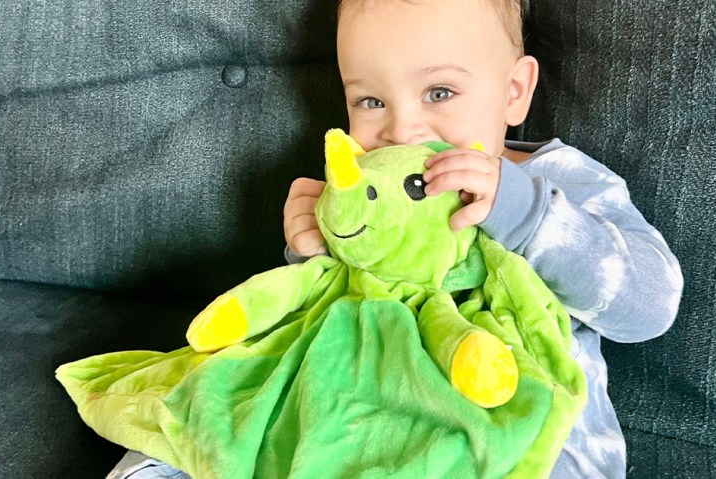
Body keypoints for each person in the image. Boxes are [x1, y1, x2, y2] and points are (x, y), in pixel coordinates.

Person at [110, 0, 683, 477]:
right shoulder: (365, 185)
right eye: (371, 101)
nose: (401, 130)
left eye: (439, 92)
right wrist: (308, 252)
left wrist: (525, 210)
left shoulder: (559, 180)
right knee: (221, 414)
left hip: (521, 427)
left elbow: (650, 308)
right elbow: (322, 316)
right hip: (372, 414)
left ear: (514, 91)